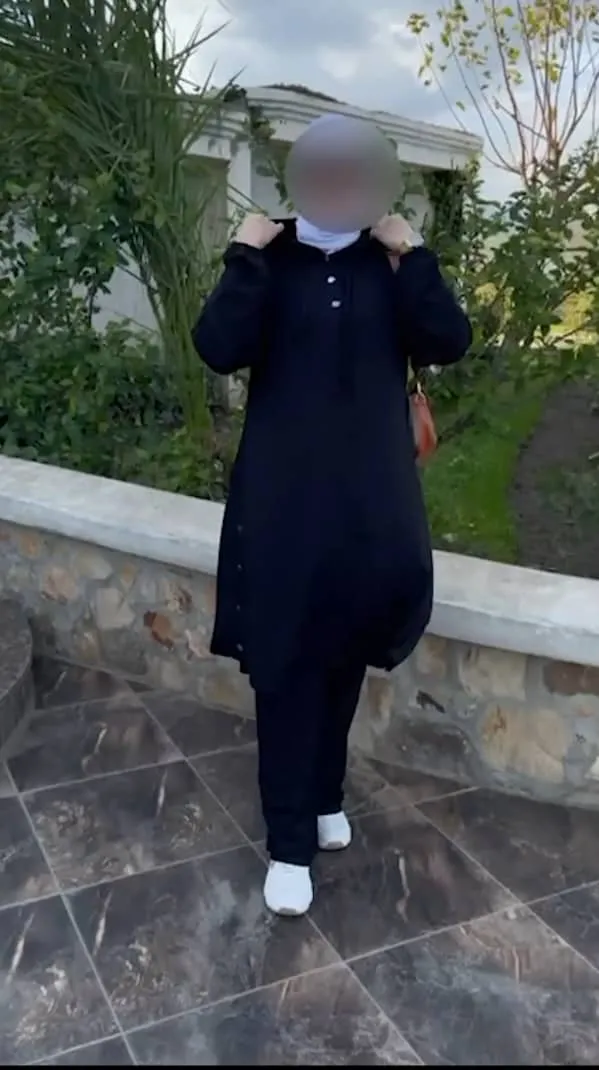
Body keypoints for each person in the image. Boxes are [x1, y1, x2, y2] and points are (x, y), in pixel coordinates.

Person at [192, 115, 472, 917]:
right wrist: (243, 252)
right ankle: (288, 844)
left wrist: (414, 253)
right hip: (283, 502)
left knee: (344, 653)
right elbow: (218, 346)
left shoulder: (387, 263)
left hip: (369, 503)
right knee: (285, 667)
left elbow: (447, 339)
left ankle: (322, 797)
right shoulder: (269, 258)